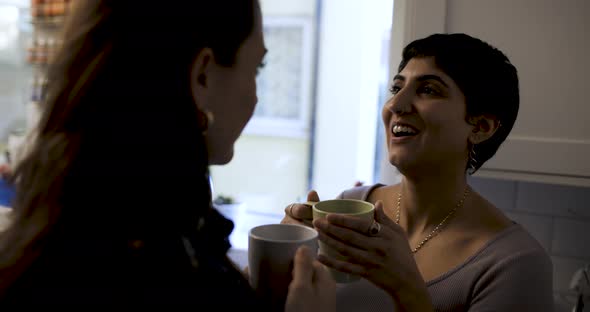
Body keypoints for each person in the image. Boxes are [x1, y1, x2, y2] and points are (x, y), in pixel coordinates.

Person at [0, 0, 336, 309]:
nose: (256, 98)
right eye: (256, 69)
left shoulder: (70, 219)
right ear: (202, 76)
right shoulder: (164, 263)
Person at [283, 33, 553, 311]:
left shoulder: (515, 264)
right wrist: (284, 259)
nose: (395, 105)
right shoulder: (350, 206)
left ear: (480, 127)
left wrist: (406, 288)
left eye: (429, 90)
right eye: (396, 88)